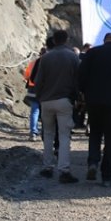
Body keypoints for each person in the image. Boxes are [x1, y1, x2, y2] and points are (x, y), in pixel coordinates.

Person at [77, 32, 111, 187]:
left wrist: (83, 92)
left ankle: (93, 162)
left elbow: (81, 75)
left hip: (94, 100)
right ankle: (107, 175)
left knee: (95, 132)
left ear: (104, 40)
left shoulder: (93, 52)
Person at [35, 29, 81, 183]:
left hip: (46, 100)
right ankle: (64, 170)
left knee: (48, 134)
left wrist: (39, 97)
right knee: (64, 136)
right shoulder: (73, 57)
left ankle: (47, 167)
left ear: (53, 40)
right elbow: (78, 80)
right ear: (67, 40)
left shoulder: (45, 58)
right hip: (64, 100)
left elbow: (39, 80)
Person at [22, 45, 46, 140]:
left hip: (32, 90)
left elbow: (26, 76)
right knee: (45, 112)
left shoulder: (33, 63)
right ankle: (44, 133)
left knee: (34, 111)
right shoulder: (49, 63)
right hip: (44, 91)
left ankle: (33, 133)